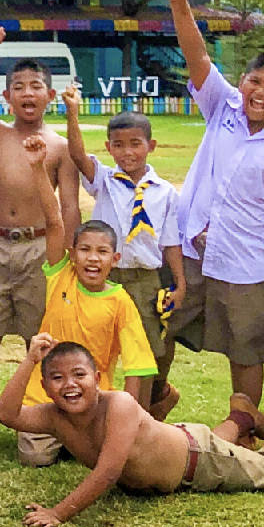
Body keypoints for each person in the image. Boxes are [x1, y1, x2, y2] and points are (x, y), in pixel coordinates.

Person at [156, 0, 264, 415]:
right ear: (242, 82)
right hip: (188, 249)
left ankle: (241, 424)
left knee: (246, 348)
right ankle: (151, 406)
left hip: (245, 260)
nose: (259, 93)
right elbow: (197, 54)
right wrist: (180, 5)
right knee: (159, 330)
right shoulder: (221, 107)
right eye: (254, 82)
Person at [0, 336, 264, 527]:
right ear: (44, 387)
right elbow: (5, 414)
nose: (69, 385)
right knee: (208, 442)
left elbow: (108, 472)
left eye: (79, 375)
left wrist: (58, 513)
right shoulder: (54, 416)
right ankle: (241, 419)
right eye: (57, 378)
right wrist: (28, 361)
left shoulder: (117, 404)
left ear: (98, 379)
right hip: (181, 444)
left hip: (198, 459)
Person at [0, 24, 80, 416]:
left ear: (50, 95)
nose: (28, 92)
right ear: (7, 97)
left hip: (40, 249)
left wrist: (70, 253)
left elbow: (71, 206)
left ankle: (43, 408)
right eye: (20, 87)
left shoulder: (59, 147)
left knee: (38, 335)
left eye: (36, 86)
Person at [13, 135, 156, 467]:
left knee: (102, 449)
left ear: (115, 259)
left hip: (93, 402)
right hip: (44, 397)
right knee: (34, 457)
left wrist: (129, 419)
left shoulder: (120, 300)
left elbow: (136, 366)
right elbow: (53, 222)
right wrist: (37, 169)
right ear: (73, 255)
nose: (93, 259)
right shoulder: (61, 276)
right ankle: (62, 436)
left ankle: (82, 435)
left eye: (102, 252)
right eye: (85, 250)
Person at [60, 82, 182, 412]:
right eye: (118, 145)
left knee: (143, 352)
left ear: (151, 145)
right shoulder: (104, 179)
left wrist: (179, 283)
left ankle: (139, 419)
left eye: (135, 144)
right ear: (109, 148)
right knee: (97, 346)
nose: (127, 152)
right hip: (104, 276)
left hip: (145, 280)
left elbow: (170, 241)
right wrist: (73, 112)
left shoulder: (165, 192)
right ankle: (95, 414)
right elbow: (76, 155)